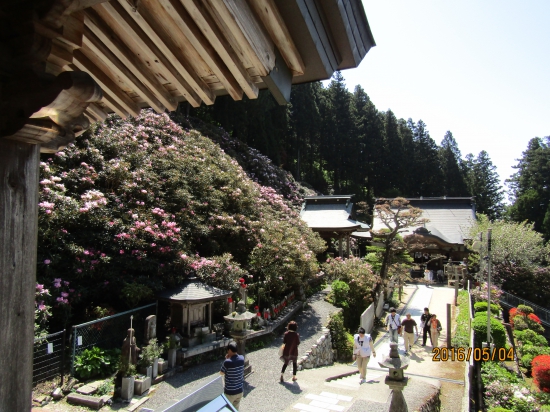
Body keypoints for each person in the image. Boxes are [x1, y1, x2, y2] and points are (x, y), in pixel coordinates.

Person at [220, 342, 245, 410]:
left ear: (230, 350)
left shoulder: (227, 362)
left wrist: (226, 359)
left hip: (230, 392)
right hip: (239, 390)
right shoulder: (242, 358)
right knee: (235, 409)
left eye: (228, 350)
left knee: (227, 409)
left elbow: (221, 373)